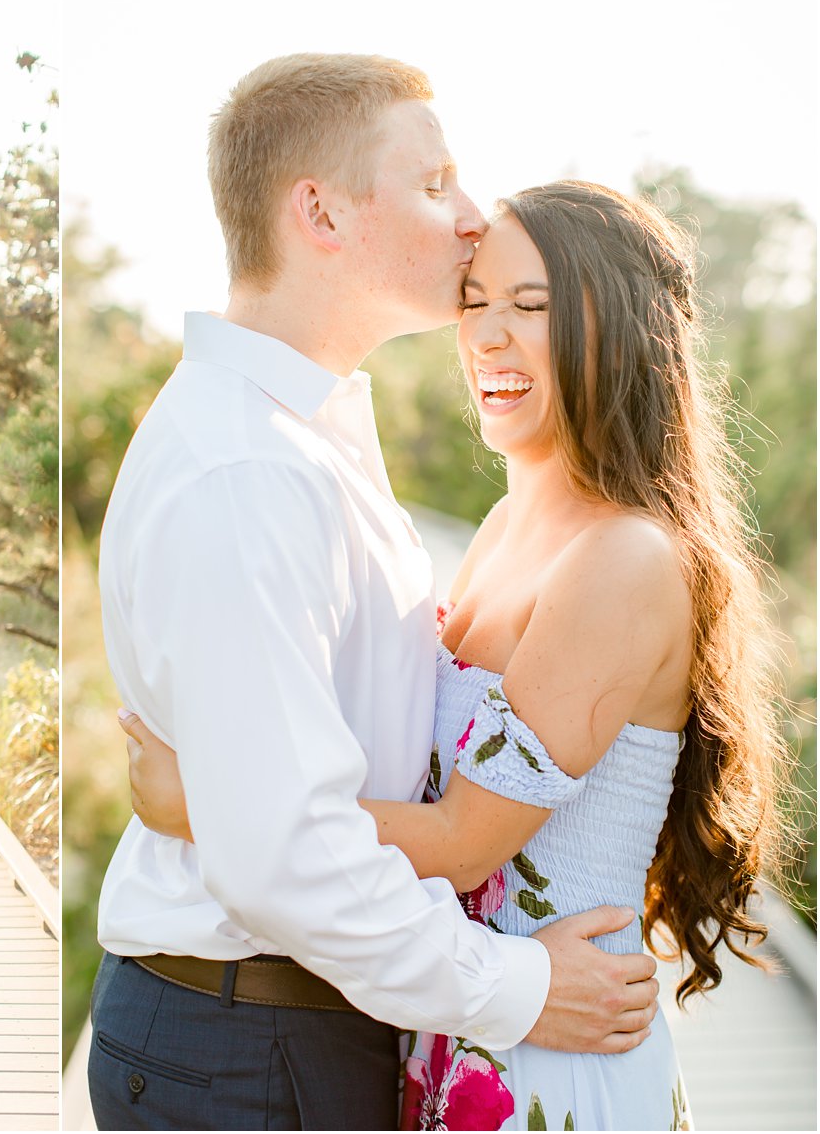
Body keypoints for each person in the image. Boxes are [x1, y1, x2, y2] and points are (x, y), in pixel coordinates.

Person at [122, 181, 783, 1129]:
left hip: (550, 1051)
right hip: (464, 1022)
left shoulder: (624, 556)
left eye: (532, 306)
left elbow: (466, 835)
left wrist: (207, 802)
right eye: (475, 303)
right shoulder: (510, 524)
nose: (487, 336)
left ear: (623, 331)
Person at [87, 54, 662, 1130]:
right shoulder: (246, 469)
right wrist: (520, 987)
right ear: (319, 211)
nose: (469, 214)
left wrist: (207, 803)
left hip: (299, 1025)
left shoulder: (303, 440)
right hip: (247, 1040)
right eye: (433, 181)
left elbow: (299, 806)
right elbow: (286, 855)